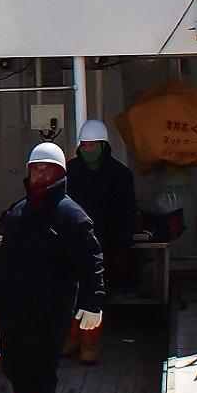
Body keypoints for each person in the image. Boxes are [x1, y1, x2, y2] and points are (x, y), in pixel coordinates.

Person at [0, 141, 105, 393]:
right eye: (36, 168)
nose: (41, 174)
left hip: (50, 309)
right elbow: (5, 262)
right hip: (15, 307)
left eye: (47, 169)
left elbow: (91, 261)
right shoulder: (17, 212)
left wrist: (93, 302)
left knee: (39, 367)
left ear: (59, 173)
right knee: (14, 363)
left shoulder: (71, 216)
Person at [64, 120, 138, 363]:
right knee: (69, 292)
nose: (87, 150)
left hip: (105, 244)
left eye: (92, 145)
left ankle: (90, 343)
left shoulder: (120, 175)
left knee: (94, 294)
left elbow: (127, 214)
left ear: (103, 145)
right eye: (83, 146)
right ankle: (72, 338)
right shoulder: (70, 172)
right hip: (73, 243)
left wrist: (123, 249)